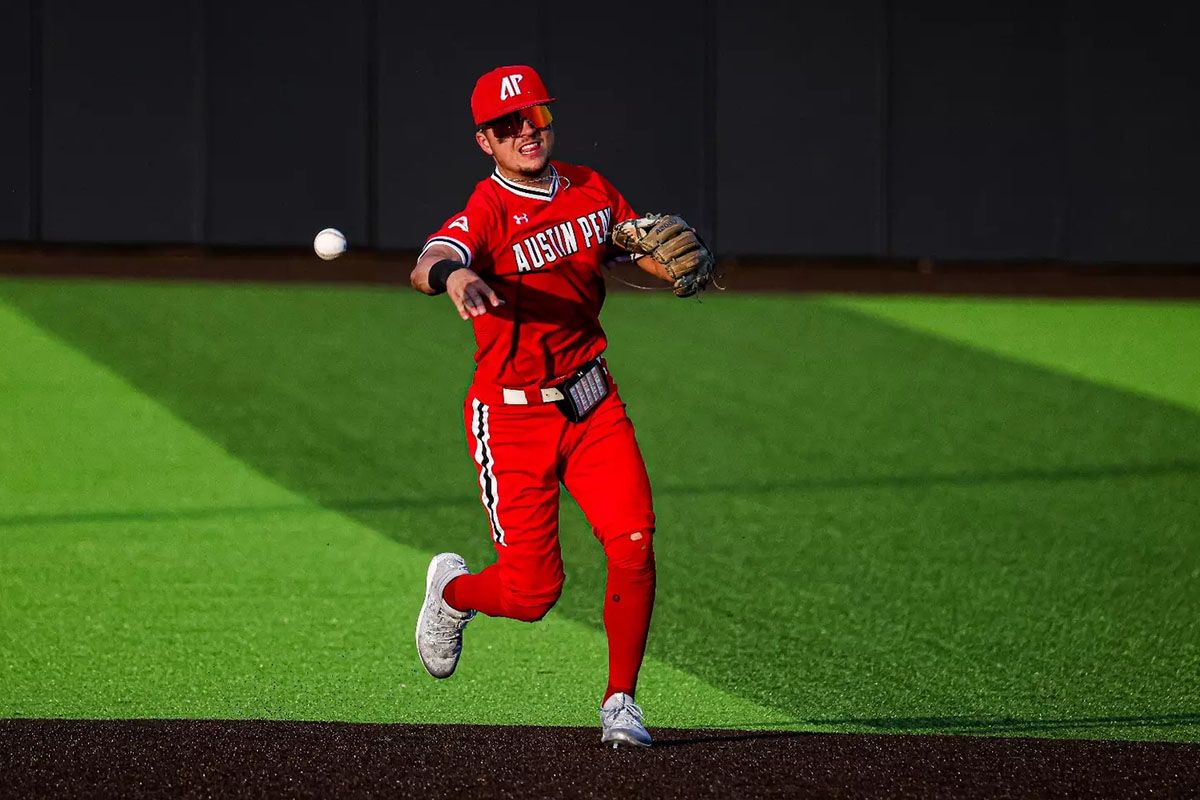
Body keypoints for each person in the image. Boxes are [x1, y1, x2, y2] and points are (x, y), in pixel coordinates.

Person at [411, 65, 711, 748]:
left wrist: (675, 272)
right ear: (484, 140)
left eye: (535, 117)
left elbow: (629, 255)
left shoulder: (589, 188)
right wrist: (455, 272)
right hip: (511, 417)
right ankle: (451, 594)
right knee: (530, 594)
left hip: (591, 400)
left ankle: (621, 702)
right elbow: (430, 257)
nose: (526, 132)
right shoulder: (487, 209)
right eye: (506, 125)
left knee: (633, 541)